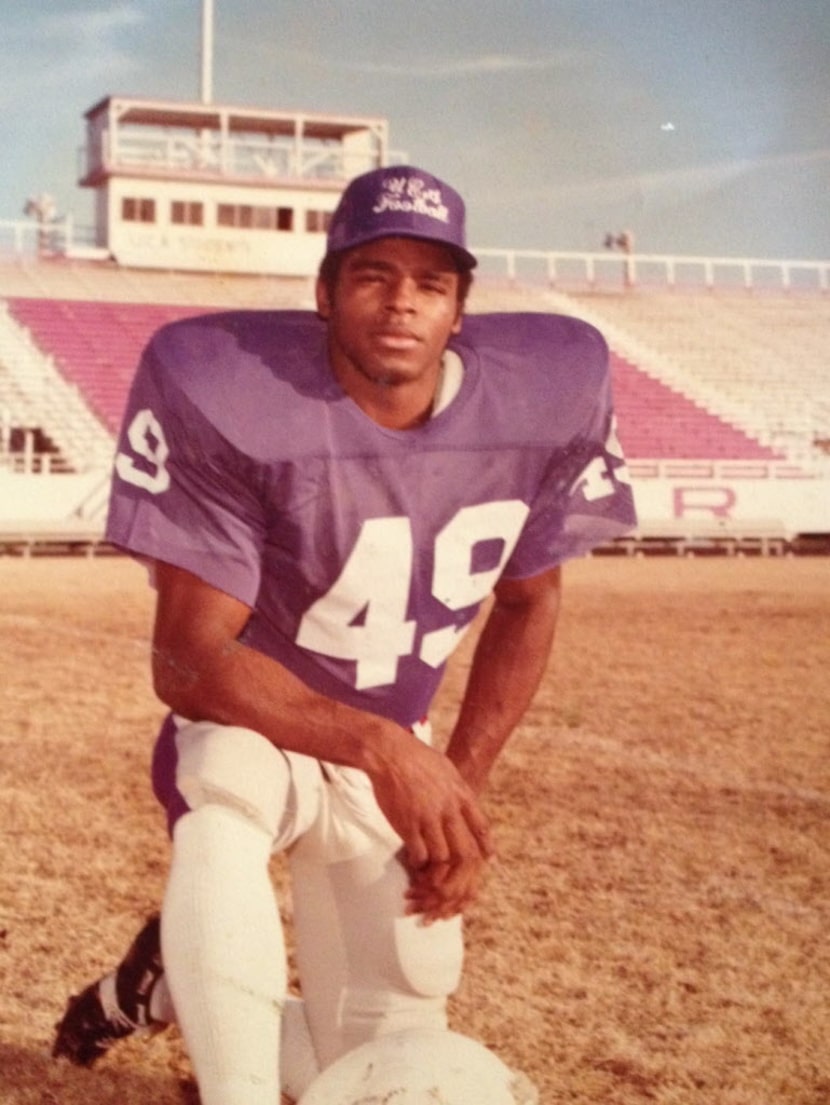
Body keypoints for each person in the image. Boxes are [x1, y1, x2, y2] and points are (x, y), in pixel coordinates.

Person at [53, 164, 636, 1104]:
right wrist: (381, 748)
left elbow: (530, 603)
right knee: (224, 798)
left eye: (432, 282)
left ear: (461, 309)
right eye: (373, 275)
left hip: (392, 734)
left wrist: (456, 783)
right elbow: (190, 660)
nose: (402, 301)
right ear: (325, 293)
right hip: (261, 713)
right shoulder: (224, 385)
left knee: (377, 1046)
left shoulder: (547, 393)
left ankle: (152, 983)